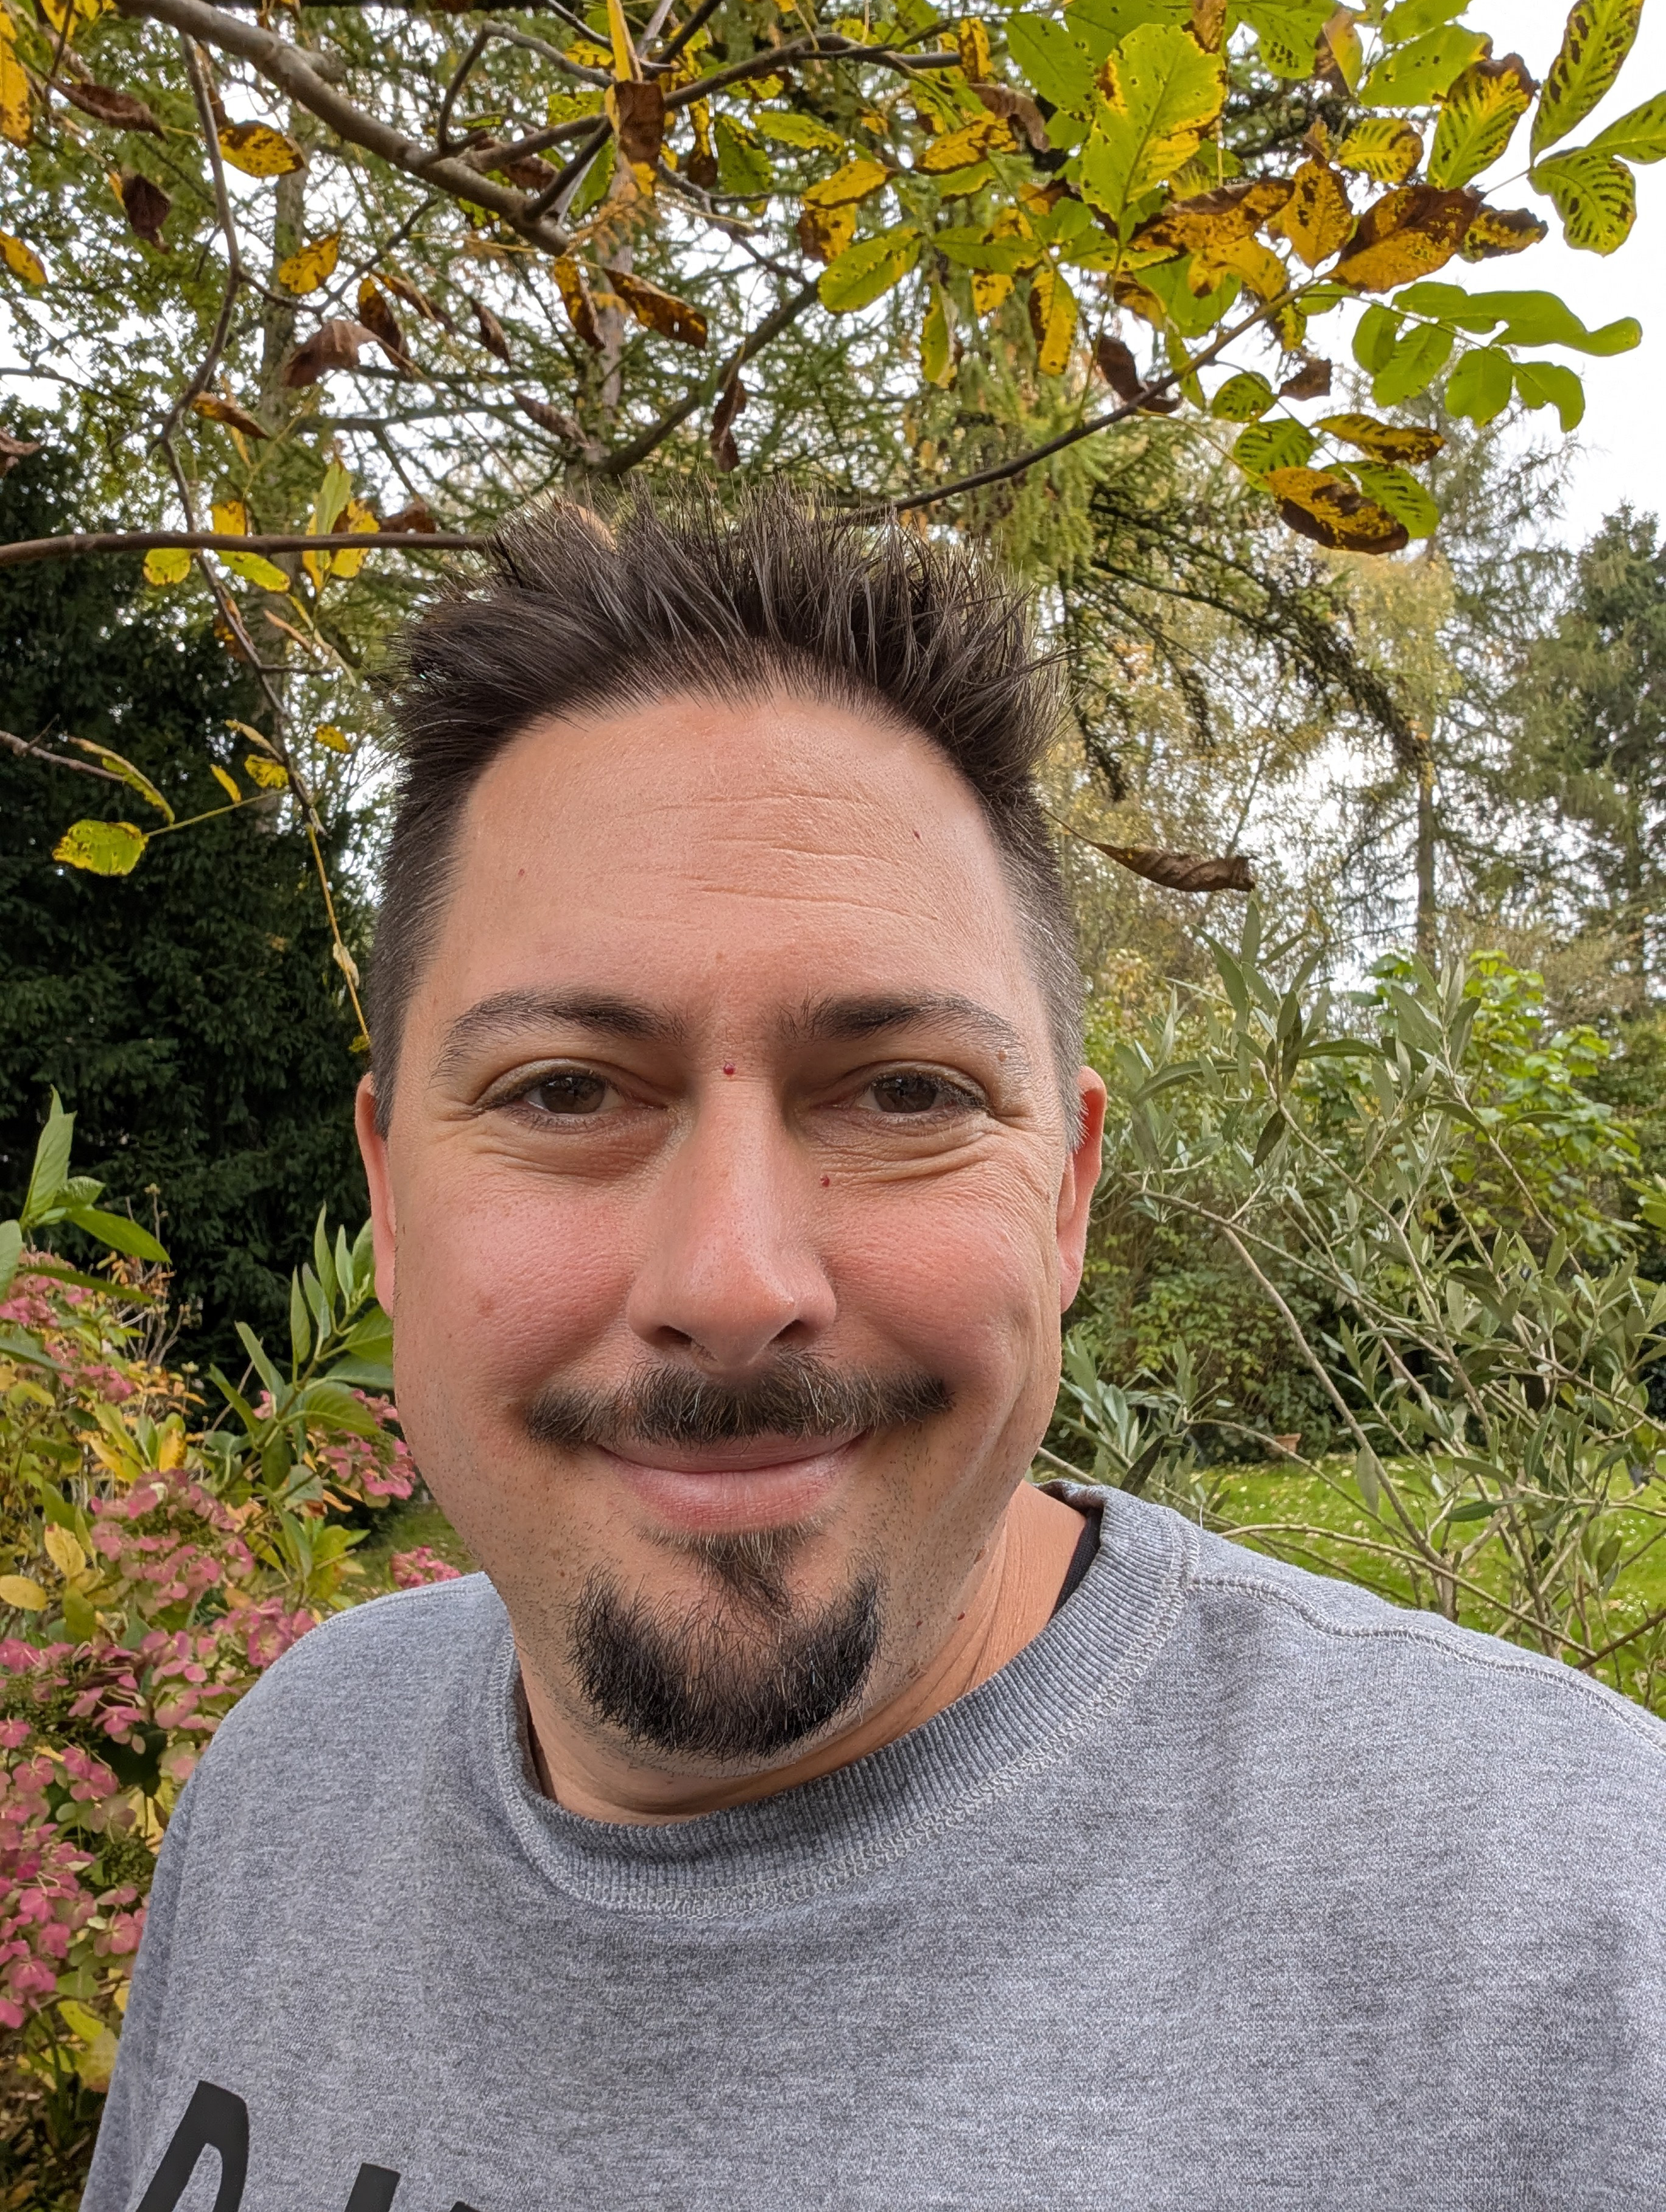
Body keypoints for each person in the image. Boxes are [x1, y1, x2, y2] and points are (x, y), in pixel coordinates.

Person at [86, 493, 1664, 2212]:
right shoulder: (293, 1776)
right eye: (566, 1092)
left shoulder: (1572, 1945)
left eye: (905, 1092)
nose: (734, 1279)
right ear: (392, 1199)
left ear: (1065, 1195)